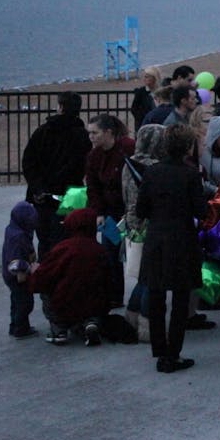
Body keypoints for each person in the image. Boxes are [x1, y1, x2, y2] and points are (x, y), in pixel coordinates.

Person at [137, 124, 207, 373]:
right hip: (182, 239)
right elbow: (201, 211)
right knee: (179, 299)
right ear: (187, 147)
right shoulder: (190, 175)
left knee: (156, 295)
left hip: (156, 238)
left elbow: (141, 209)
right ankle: (173, 353)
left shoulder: (152, 172)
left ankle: (160, 350)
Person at [20, 91, 91, 260]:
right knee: (71, 238)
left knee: (45, 240)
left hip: (43, 194)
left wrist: (37, 187)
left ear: (60, 107)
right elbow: (84, 165)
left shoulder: (43, 132)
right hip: (73, 192)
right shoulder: (82, 135)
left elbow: (28, 162)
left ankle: (47, 277)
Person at [28, 207, 111, 346]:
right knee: (95, 295)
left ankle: (59, 329)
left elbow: (44, 277)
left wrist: (34, 274)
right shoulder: (100, 250)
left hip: (65, 302)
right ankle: (91, 323)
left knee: (47, 291)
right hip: (94, 303)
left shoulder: (64, 248)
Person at [121, 123, 166, 341]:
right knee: (152, 278)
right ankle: (147, 324)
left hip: (132, 224)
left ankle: (131, 314)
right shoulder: (155, 166)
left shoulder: (128, 164)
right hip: (151, 224)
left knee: (142, 275)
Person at [84, 113, 133, 307]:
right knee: (110, 255)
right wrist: (99, 213)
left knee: (136, 254)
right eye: (90, 133)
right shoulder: (94, 156)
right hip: (110, 213)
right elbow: (93, 186)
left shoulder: (127, 147)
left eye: (95, 133)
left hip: (131, 210)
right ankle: (114, 296)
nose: (91, 137)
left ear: (108, 132)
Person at [2, 200, 38, 338]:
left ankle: (15, 325)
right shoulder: (18, 237)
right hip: (17, 275)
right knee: (25, 303)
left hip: (9, 275)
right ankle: (21, 329)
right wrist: (28, 268)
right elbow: (15, 261)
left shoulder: (12, 229)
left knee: (16, 301)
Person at [130, 65, 163, 131]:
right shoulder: (141, 92)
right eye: (144, 76)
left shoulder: (162, 91)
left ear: (154, 78)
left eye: (147, 76)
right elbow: (134, 108)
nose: (144, 78)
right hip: (145, 124)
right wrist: (143, 118)